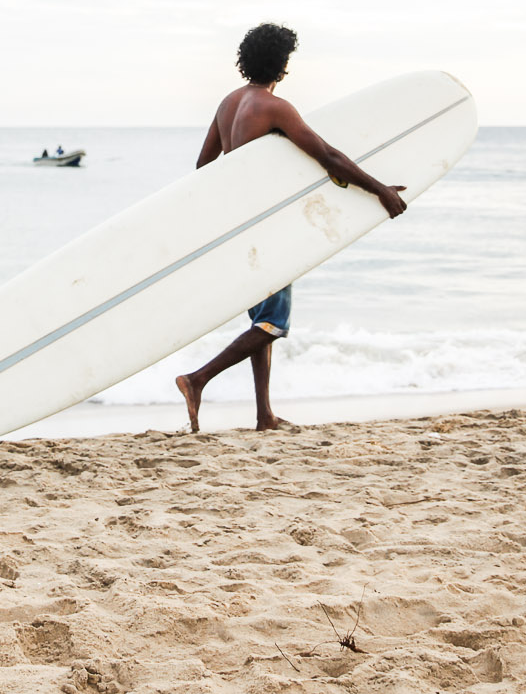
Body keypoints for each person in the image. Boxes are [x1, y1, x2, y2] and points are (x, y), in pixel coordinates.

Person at [174, 23, 409, 433]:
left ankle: (264, 415)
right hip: (265, 226)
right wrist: (380, 191)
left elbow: (203, 167)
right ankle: (197, 380)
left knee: (260, 320)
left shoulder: (228, 104)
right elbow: (329, 157)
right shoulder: (275, 109)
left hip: (239, 225)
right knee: (273, 323)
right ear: (282, 64)